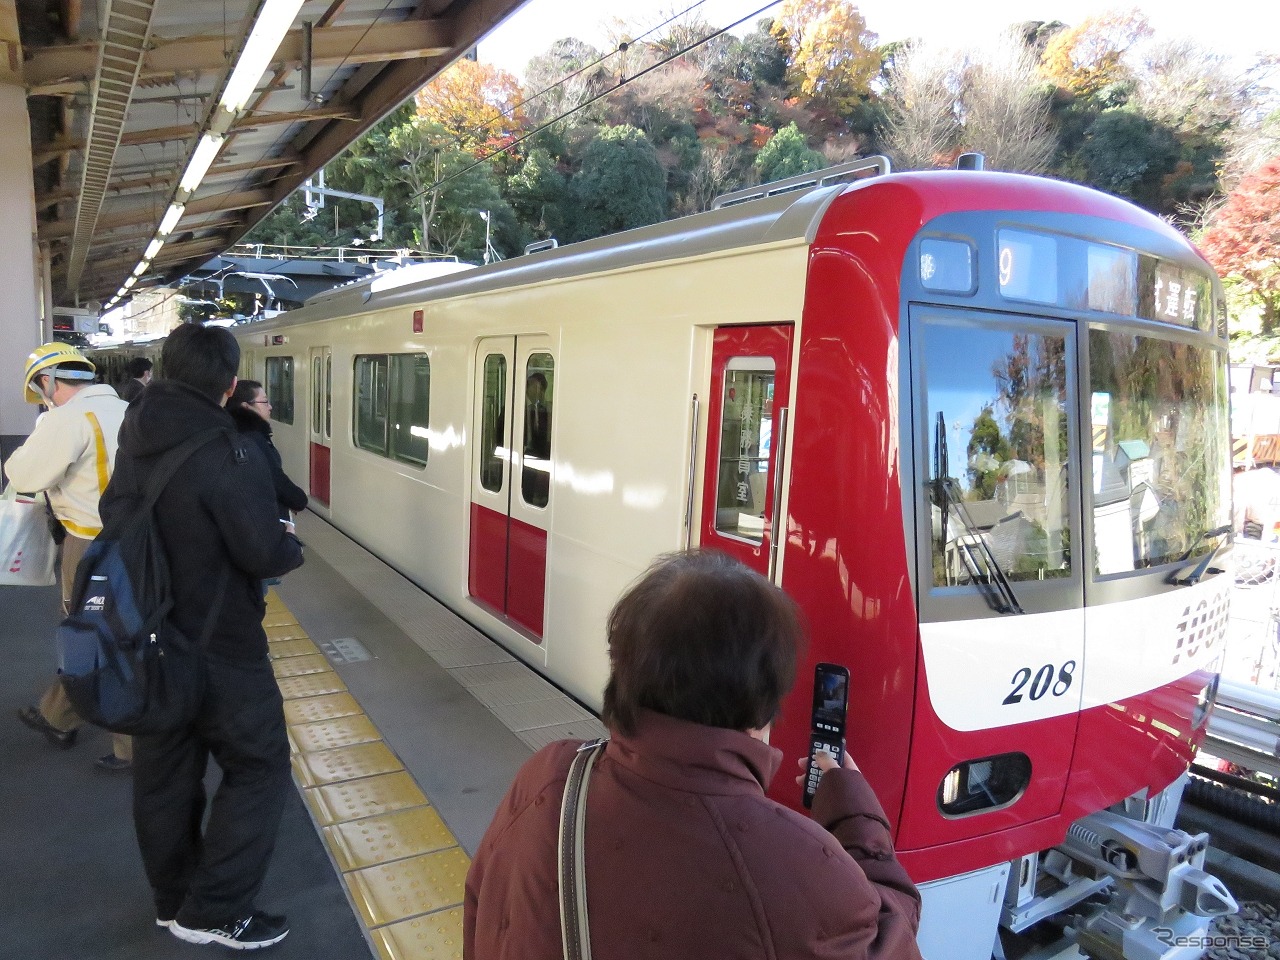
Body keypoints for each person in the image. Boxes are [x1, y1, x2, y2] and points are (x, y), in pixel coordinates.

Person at [463, 550, 923, 960]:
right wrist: (856, 819)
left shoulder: (547, 778)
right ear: (763, 703)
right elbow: (890, 936)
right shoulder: (800, 868)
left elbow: (479, 909)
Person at [100, 323, 304, 950]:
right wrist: (287, 541)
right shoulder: (225, 447)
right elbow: (261, 550)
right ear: (225, 383)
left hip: (148, 639)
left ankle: (172, 902)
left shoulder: (137, 435)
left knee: (163, 773)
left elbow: (114, 517)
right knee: (260, 765)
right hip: (221, 645)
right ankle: (215, 909)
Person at [6, 342, 133, 771]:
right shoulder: (130, 410)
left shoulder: (65, 419)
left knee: (93, 634)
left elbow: (24, 474)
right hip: (142, 540)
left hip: (91, 544)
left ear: (47, 381)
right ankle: (58, 714)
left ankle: (126, 745)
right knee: (124, 627)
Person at [227, 380, 307, 519]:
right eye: (264, 402)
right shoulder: (253, 438)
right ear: (246, 406)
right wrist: (298, 500)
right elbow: (275, 479)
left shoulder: (234, 431)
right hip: (265, 517)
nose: (270, 407)